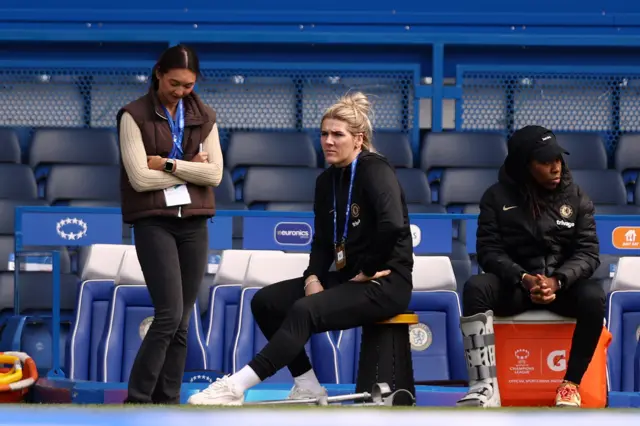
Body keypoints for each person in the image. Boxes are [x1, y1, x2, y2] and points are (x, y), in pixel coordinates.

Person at [187, 92, 414, 406]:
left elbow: (393, 225)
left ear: (358, 139)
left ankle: (236, 386)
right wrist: (312, 277)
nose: (328, 141)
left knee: (303, 311)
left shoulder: (375, 169)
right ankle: (307, 385)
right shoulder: (326, 181)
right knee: (267, 302)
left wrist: (368, 269)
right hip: (350, 281)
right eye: (324, 134)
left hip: (384, 282)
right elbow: (322, 241)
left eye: (338, 135)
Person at [457, 125, 604, 409]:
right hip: (515, 287)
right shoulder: (496, 197)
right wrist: (522, 277)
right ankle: (483, 385)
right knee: (476, 287)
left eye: (558, 159)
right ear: (525, 165)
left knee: (594, 296)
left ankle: (570, 385)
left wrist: (558, 281)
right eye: (545, 162)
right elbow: (488, 251)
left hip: (562, 289)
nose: (555, 167)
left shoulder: (576, 198)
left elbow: (588, 254)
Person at [117, 44, 224, 404]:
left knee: (182, 321)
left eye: (188, 85)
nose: (180, 91)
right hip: (154, 222)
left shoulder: (205, 116)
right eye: (174, 83)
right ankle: (137, 400)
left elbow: (216, 174)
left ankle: (169, 401)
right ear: (159, 73)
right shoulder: (133, 115)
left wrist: (167, 164)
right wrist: (193, 169)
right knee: (168, 315)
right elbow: (138, 179)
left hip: (194, 223)